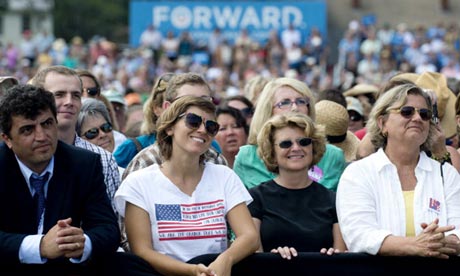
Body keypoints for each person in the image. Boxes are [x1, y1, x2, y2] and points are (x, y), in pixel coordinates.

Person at [114, 96, 259, 276]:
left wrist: (225, 259)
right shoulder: (139, 183)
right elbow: (142, 251)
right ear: (169, 127)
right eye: (193, 121)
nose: (202, 130)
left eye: (211, 126)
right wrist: (191, 271)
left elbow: (249, 236)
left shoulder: (224, 176)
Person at [0, 84, 120, 273]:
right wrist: (39, 246)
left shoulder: (84, 164)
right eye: (27, 130)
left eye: (47, 123)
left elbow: (107, 229)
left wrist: (81, 243)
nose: (41, 136)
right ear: (7, 139)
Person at [337, 83, 460, 258]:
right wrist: (415, 245)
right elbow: (359, 235)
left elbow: (458, 232)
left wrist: (439, 243)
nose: (417, 118)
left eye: (424, 114)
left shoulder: (446, 174)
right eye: (407, 111)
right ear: (382, 123)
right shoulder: (358, 174)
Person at [249, 112, 346, 260]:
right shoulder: (255, 198)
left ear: (313, 147)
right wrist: (273, 258)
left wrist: (331, 256)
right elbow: (254, 258)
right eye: (285, 143)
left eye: (304, 142)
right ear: (272, 152)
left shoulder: (333, 199)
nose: (296, 148)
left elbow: (341, 259)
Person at [29, 65, 120, 212]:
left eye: (76, 95)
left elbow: (110, 224)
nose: (69, 101)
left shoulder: (103, 159)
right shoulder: (21, 153)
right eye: (59, 95)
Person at [233, 77, 346, 191]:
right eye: (285, 102)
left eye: (301, 101)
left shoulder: (333, 156)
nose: (295, 108)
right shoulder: (246, 157)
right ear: (268, 110)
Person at [121, 72, 227, 179]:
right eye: (187, 101)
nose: (198, 107)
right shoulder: (145, 163)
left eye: (204, 100)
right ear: (168, 108)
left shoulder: (216, 161)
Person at [113, 72, 174, 168]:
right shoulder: (131, 147)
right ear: (156, 108)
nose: (180, 111)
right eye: (172, 105)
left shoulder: (200, 147)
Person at [76, 98, 125, 178]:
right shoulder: (79, 178)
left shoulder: (124, 175)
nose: (102, 134)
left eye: (106, 127)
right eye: (92, 132)